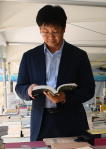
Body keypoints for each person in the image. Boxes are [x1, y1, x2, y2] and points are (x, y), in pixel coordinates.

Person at [15, 5, 95, 141]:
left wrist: (65, 97)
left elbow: (89, 89)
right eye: (45, 31)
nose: (50, 37)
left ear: (64, 29)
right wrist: (28, 90)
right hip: (41, 122)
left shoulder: (78, 56)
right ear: (40, 29)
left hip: (72, 121)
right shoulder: (30, 57)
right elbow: (19, 87)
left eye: (55, 31)